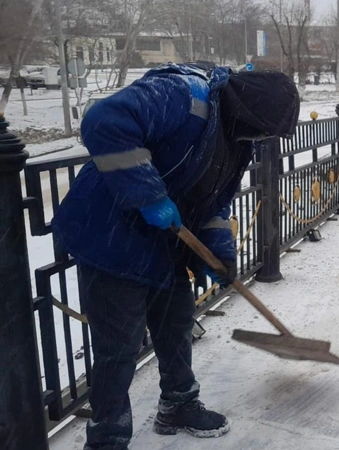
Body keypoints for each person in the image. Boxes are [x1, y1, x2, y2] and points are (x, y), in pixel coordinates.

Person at [52, 63, 300, 450]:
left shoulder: (238, 141)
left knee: (176, 327)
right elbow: (104, 120)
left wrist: (220, 253)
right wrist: (148, 194)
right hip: (111, 237)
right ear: (249, 112)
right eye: (265, 130)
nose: (265, 138)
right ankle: (107, 440)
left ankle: (178, 404)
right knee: (119, 350)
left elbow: (215, 203)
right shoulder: (183, 94)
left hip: (163, 245)